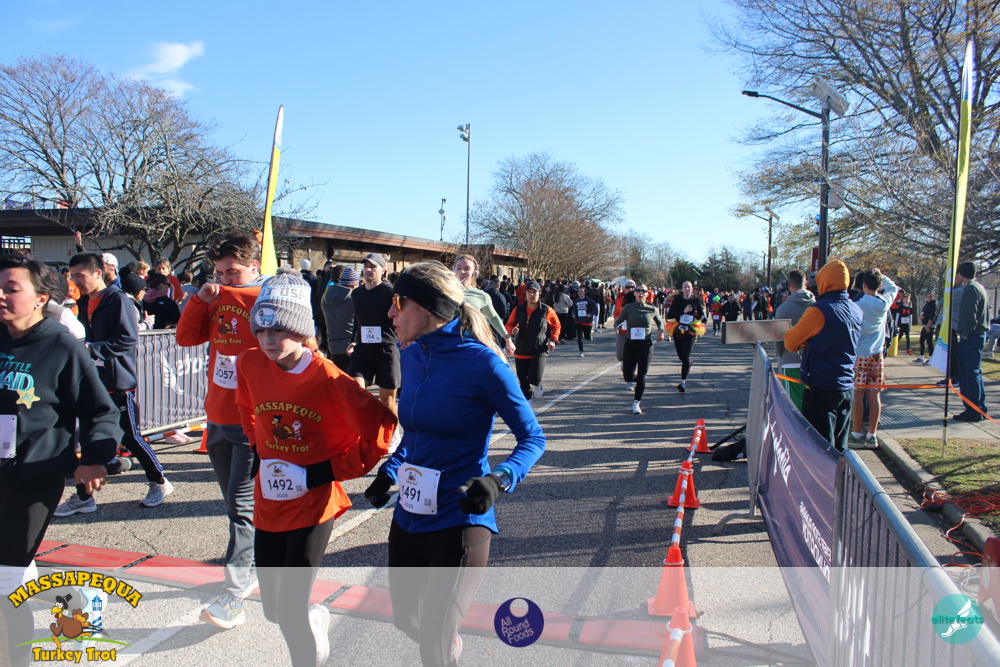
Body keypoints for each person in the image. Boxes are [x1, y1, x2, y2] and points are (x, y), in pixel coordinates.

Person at [364, 261, 545, 667]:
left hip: (459, 519)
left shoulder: (483, 364)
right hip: (409, 515)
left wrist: (498, 480)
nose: (390, 312)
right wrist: (389, 472)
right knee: (405, 620)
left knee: (433, 646)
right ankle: (449, 644)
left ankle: (445, 647)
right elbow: (416, 435)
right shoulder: (412, 355)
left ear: (427, 308)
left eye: (398, 302)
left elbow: (533, 438)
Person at [236, 271, 396, 667]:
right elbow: (246, 407)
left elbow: (380, 432)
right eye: (261, 330)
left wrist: (319, 473)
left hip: (314, 503)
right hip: (269, 501)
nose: (268, 339)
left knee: (290, 609)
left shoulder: (329, 378)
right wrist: (258, 450)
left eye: (279, 329)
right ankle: (314, 618)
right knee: (273, 609)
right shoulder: (250, 363)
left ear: (301, 330)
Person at [0, 257, 122, 667]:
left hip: (35, 475)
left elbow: (101, 412)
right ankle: (73, 598)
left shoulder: (62, 347)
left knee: (4, 581)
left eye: (11, 289)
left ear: (41, 298)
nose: (1, 295)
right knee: (10, 573)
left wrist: (95, 458)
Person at [176, 234, 268, 629]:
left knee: (242, 505)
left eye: (233, 271)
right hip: (217, 417)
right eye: (220, 272)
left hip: (251, 421)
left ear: (254, 267)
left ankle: (235, 592)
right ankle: (251, 566)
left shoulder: (267, 298)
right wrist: (200, 300)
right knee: (235, 506)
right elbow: (185, 338)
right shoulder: (214, 297)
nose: (225, 279)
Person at [56, 253, 172, 515]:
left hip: (118, 382)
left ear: (98, 273)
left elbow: (127, 339)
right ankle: (84, 497)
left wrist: (91, 349)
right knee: (89, 437)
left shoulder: (117, 299)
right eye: (73, 276)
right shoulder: (84, 301)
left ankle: (159, 482)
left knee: (130, 436)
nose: (76, 281)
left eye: (80, 276)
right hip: (92, 380)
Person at [783, 260, 864, 451]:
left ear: (824, 281)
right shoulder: (856, 310)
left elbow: (790, 343)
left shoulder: (819, 311)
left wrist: (808, 341)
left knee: (819, 449)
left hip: (821, 386)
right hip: (847, 386)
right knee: (840, 448)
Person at [346, 254, 401, 425]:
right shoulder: (356, 293)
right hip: (363, 349)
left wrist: (405, 338)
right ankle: (365, 430)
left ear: (383, 270)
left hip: (386, 349)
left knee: (387, 400)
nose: (368, 270)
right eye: (366, 266)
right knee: (354, 391)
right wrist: (353, 340)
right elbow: (358, 320)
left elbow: (401, 317)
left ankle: (392, 434)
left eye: (373, 266)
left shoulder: (390, 293)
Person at [849, 270, 898, 448]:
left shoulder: (857, 305)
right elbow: (893, 288)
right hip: (877, 354)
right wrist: (881, 275)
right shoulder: (883, 303)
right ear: (879, 286)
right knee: (874, 393)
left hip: (860, 353)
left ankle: (856, 433)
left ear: (863, 285)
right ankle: (872, 434)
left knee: (858, 393)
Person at [505, 281, 560, 401]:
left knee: (534, 378)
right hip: (521, 349)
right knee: (523, 382)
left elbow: (556, 326)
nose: (531, 295)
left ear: (539, 294)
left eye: (534, 292)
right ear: (525, 294)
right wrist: (512, 330)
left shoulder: (546, 310)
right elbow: (508, 325)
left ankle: (538, 385)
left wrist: (552, 339)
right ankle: (528, 406)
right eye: (529, 292)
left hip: (539, 349)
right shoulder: (518, 309)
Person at [614, 284, 665, 414]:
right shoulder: (628, 308)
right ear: (635, 293)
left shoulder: (652, 309)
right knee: (628, 376)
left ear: (647, 294)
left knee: (642, 374)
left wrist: (661, 331)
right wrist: (618, 327)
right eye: (638, 290)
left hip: (645, 344)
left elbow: (660, 322)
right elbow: (618, 321)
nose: (640, 293)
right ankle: (640, 380)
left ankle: (636, 403)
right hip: (631, 343)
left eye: (643, 291)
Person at [453, 255, 515, 355]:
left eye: (467, 268)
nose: (462, 271)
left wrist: (508, 339)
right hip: (447, 345)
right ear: (454, 270)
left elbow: (493, 317)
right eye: (458, 268)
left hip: (471, 346)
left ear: (474, 272)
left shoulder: (482, 296)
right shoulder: (443, 291)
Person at [952, 261, 990, 422]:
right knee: (975, 372)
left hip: (971, 336)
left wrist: (965, 333)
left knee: (968, 374)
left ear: (961, 274)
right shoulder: (979, 287)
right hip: (978, 335)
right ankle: (979, 407)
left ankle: (972, 409)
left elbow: (969, 314)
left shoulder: (970, 289)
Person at [773, 269, 815, 411]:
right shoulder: (816, 305)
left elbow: (779, 339)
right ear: (806, 283)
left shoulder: (783, 309)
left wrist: (780, 355)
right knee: (811, 403)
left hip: (791, 360)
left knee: (792, 405)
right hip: (814, 361)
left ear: (789, 284)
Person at [665, 280, 706, 393]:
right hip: (678, 328)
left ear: (692, 289)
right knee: (681, 356)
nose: (687, 289)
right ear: (682, 289)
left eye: (689, 287)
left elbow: (701, 313)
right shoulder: (677, 300)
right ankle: (688, 362)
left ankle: (683, 382)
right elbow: (670, 315)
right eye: (685, 287)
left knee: (686, 356)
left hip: (690, 330)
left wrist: (700, 319)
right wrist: (683, 311)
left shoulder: (695, 300)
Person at [321, 266, 359, 373]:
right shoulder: (353, 297)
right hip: (350, 346)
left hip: (333, 345)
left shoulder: (325, 296)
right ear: (354, 284)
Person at [571, 285, 599, 357]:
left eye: (581, 291)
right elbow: (574, 309)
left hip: (587, 321)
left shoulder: (590, 301)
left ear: (585, 292)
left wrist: (590, 314)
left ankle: (589, 337)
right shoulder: (576, 301)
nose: (580, 293)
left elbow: (595, 311)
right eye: (578, 291)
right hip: (578, 321)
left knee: (587, 337)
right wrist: (573, 314)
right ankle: (581, 351)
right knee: (579, 337)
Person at [916, 292, 938, 363]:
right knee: (922, 340)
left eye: (930, 297)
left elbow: (932, 317)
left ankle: (931, 358)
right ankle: (921, 357)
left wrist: (928, 326)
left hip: (929, 326)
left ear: (933, 297)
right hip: (925, 325)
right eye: (928, 297)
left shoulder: (933, 305)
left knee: (929, 342)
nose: (929, 298)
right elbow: (924, 314)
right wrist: (921, 317)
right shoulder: (926, 305)